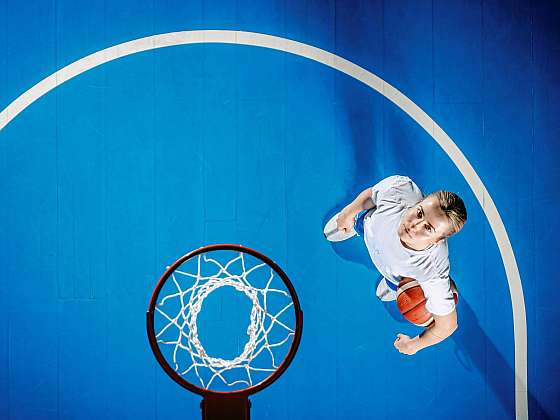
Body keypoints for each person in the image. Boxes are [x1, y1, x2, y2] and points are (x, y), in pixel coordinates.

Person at [324, 175, 467, 356]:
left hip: (395, 275)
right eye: (420, 213)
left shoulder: (432, 273)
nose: (415, 225)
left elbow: (448, 325)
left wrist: (415, 344)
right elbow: (371, 195)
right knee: (365, 223)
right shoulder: (400, 188)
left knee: (396, 281)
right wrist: (349, 212)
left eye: (428, 228)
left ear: (438, 240)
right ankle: (352, 226)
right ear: (419, 202)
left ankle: (396, 288)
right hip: (369, 229)